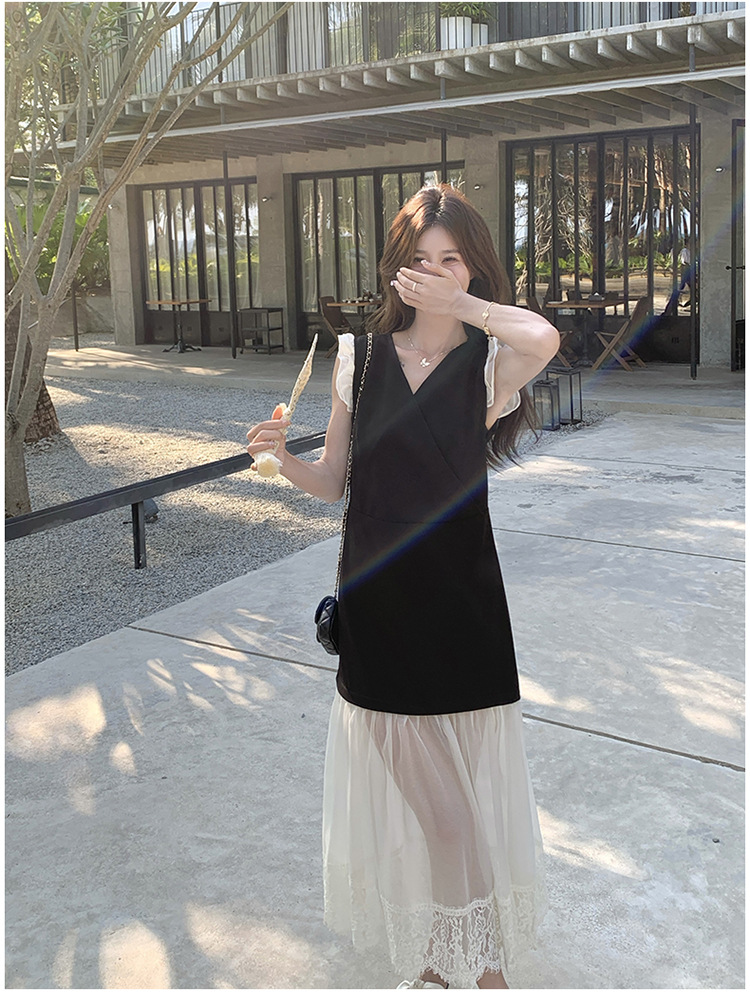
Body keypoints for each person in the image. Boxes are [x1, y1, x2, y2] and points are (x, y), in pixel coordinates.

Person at [246, 184, 559, 990]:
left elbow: (544, 335)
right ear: (396, 268)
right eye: (419, 259)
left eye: (450, 260)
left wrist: (467, 306)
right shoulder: (361, 357)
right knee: (441, 816)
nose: (433, 273)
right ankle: (465, 968)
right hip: (379, 612)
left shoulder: (487, 364)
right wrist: (280, 459)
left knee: (454, 813)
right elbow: (333, 484)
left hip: (461, 611)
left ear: (473, 267)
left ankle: (463, 969)